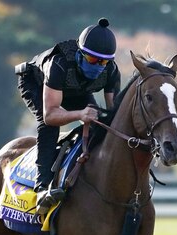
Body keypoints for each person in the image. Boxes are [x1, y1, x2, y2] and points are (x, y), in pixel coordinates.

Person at [16, 18, 121, 214]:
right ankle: (42, 188)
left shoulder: (112, 71)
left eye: (104, 61)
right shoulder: (59, 63)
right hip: (36, 82)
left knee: (99, 122)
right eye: (93, 60)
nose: (99, 66)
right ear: (81, 54)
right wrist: (81, 114)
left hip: (76, 88)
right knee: (49, 127)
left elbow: (114, 116)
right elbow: (50, 115)